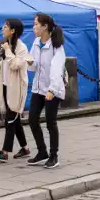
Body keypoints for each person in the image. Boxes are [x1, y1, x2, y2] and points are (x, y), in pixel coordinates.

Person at [0, 19, 33, 163]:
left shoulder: (22, 48)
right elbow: (4, 66)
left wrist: (6, 50)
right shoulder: (7, 46)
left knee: (10, 120)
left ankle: (5, 152)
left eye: (5, 26)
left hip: (17, 88)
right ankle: (25, 148)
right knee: (14, 118)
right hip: (7, 85)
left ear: (13, 31)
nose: (2, 28)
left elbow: (15, 65)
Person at [27, 13, 66, 169]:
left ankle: (54, 155)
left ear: (45, 27)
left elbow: (57, 70)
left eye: (36, 24)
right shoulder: (36, 42)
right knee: (32, 120)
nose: (34, 27)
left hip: (52, 90)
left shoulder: (57, 46)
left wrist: (52, 90)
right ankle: (42, 152)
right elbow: (34, 67)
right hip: (38, 89)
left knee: (51, 123)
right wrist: (30, 62)